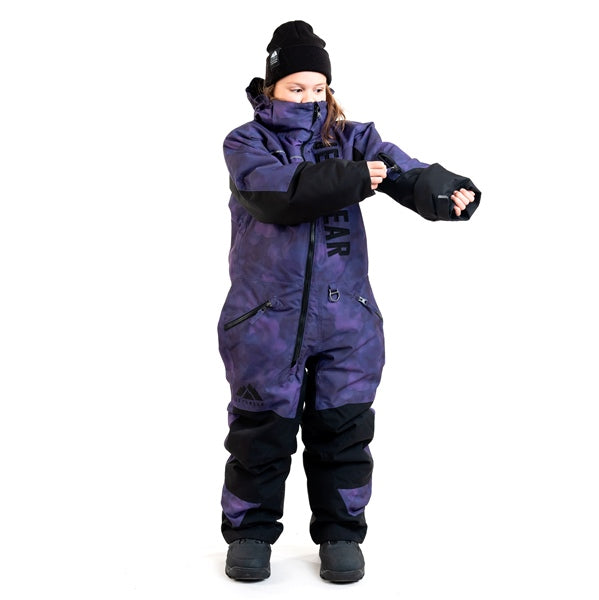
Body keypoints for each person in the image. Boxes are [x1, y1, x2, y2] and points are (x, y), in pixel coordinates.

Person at [217, 20, 481, 583]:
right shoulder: (246, 143)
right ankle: (249, 535)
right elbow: (276, 194)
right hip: (265, 319)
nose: (308, 97)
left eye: (318, 87)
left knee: (344, 432)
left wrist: (444, 191)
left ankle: (341, 534)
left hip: (347, 320)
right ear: (271, 87)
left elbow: (401, 169)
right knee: (260, 433)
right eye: (296, 87)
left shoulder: (351, 139)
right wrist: (355, 178)